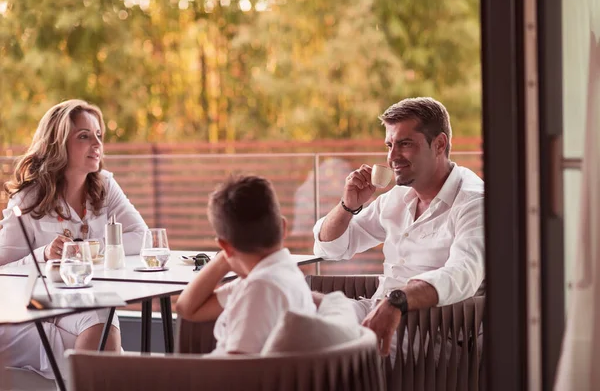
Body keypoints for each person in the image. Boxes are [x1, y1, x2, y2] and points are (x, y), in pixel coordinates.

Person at [313, 97, 484, 357]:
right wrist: (348, 206)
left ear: (439, 144)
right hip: (378, 307)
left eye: (404, 144)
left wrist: (397, 301)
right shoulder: (398, 198)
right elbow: (332, 247)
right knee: (297, 312)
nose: (392, 157)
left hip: (431, 329)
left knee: (329, 349)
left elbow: (463, 275)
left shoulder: (474, 202)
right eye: (389, 145)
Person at [0, 99, 148, 378]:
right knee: (104, 342)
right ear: (58, 145)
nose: (97, 144)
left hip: (80, 300)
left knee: (102, 318)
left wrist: (88, 250)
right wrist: (44, 254)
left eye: (98, 136)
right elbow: (2, 273)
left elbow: (142, 237)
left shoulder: (104, 185)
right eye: (84, 136)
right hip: (36, 303)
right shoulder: (29, 199)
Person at [176, 175, 316, 355]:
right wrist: (225, 256)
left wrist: (227, 251)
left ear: (225, 246)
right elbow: (187, 308)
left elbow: (239, 372)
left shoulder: (260, 288)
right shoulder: (278, 273)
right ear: (283, 227)